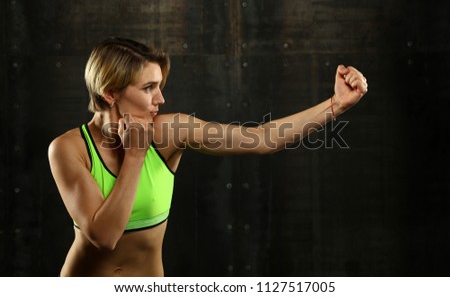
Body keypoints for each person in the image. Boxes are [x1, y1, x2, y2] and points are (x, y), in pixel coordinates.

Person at [48, 37, 368, 276]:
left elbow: (261, 139)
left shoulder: (170, 130)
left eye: (160, 86)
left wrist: (336, 104)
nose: (161, 98)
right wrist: (135, 157)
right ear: (111, 93)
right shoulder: (69, 148)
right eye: (148, 88)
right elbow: (103, 238)